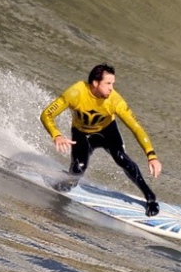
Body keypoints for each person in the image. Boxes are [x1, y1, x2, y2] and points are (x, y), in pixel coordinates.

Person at [41, 63, 163, 215]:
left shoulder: (115, 101)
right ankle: (70, 180)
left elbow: (136, 128)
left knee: (121, 158)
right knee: (78, 168)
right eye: (108, 83)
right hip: (82, 133)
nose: (111, 88)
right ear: (95, 83)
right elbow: (46, 114)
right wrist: (56, 135)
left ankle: (150, 197)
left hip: (107, 132)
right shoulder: (76, 93)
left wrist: (151, 156)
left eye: (113, 84)